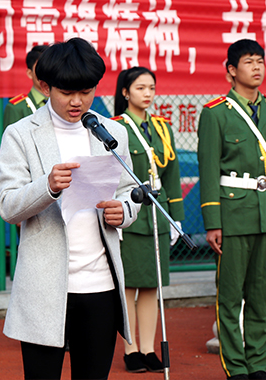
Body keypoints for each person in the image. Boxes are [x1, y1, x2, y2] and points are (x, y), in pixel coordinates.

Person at [0, 37, 140, 380]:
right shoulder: (20, 134)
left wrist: (123, 211)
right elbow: (8, 206)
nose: (77, 102)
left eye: (86, 92)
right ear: (45, 86)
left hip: (101, 286)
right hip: (45, 287)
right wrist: (47, 186)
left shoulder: (112, 132)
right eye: (66, 93)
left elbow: (129, 190)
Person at [197, 39, 266, 380]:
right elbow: (209, 171)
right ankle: (236, 367)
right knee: (230, 297)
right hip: (233, 215)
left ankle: (258, 365)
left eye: (260, 61)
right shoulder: (215, 113)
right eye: (249, 62)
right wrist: (213, 222)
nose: (257, 68)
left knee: (260, 296)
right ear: (231, 70)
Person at [112, 67, 184, 373]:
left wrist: (176, 217)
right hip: (132, 213)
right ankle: (130, 350)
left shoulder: (162, 128)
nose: (148, 93)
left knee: (152, 286)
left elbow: (172, 175)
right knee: (129, 286)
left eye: (151, 87)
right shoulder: (116, 127)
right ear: (125, 92)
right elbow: (111, 175)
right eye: (140, 88)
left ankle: (148, 349)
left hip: (158, 212)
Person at [3, 44, 49, 129]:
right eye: (40, 69)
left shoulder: (61, 104)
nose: (46, 73)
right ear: (29, 73)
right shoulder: (16, 108)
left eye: (50, 68)